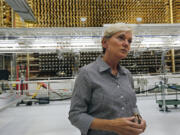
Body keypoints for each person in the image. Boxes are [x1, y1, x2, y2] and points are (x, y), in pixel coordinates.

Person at [68, 23, 146, 135]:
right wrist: (112, 125)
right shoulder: (87, 74)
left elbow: (133, 106)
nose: (126, 44)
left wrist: (139, 120)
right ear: (105, 42)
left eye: (129, 41)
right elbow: (75, 115)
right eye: (121, 38)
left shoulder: (127, 74)